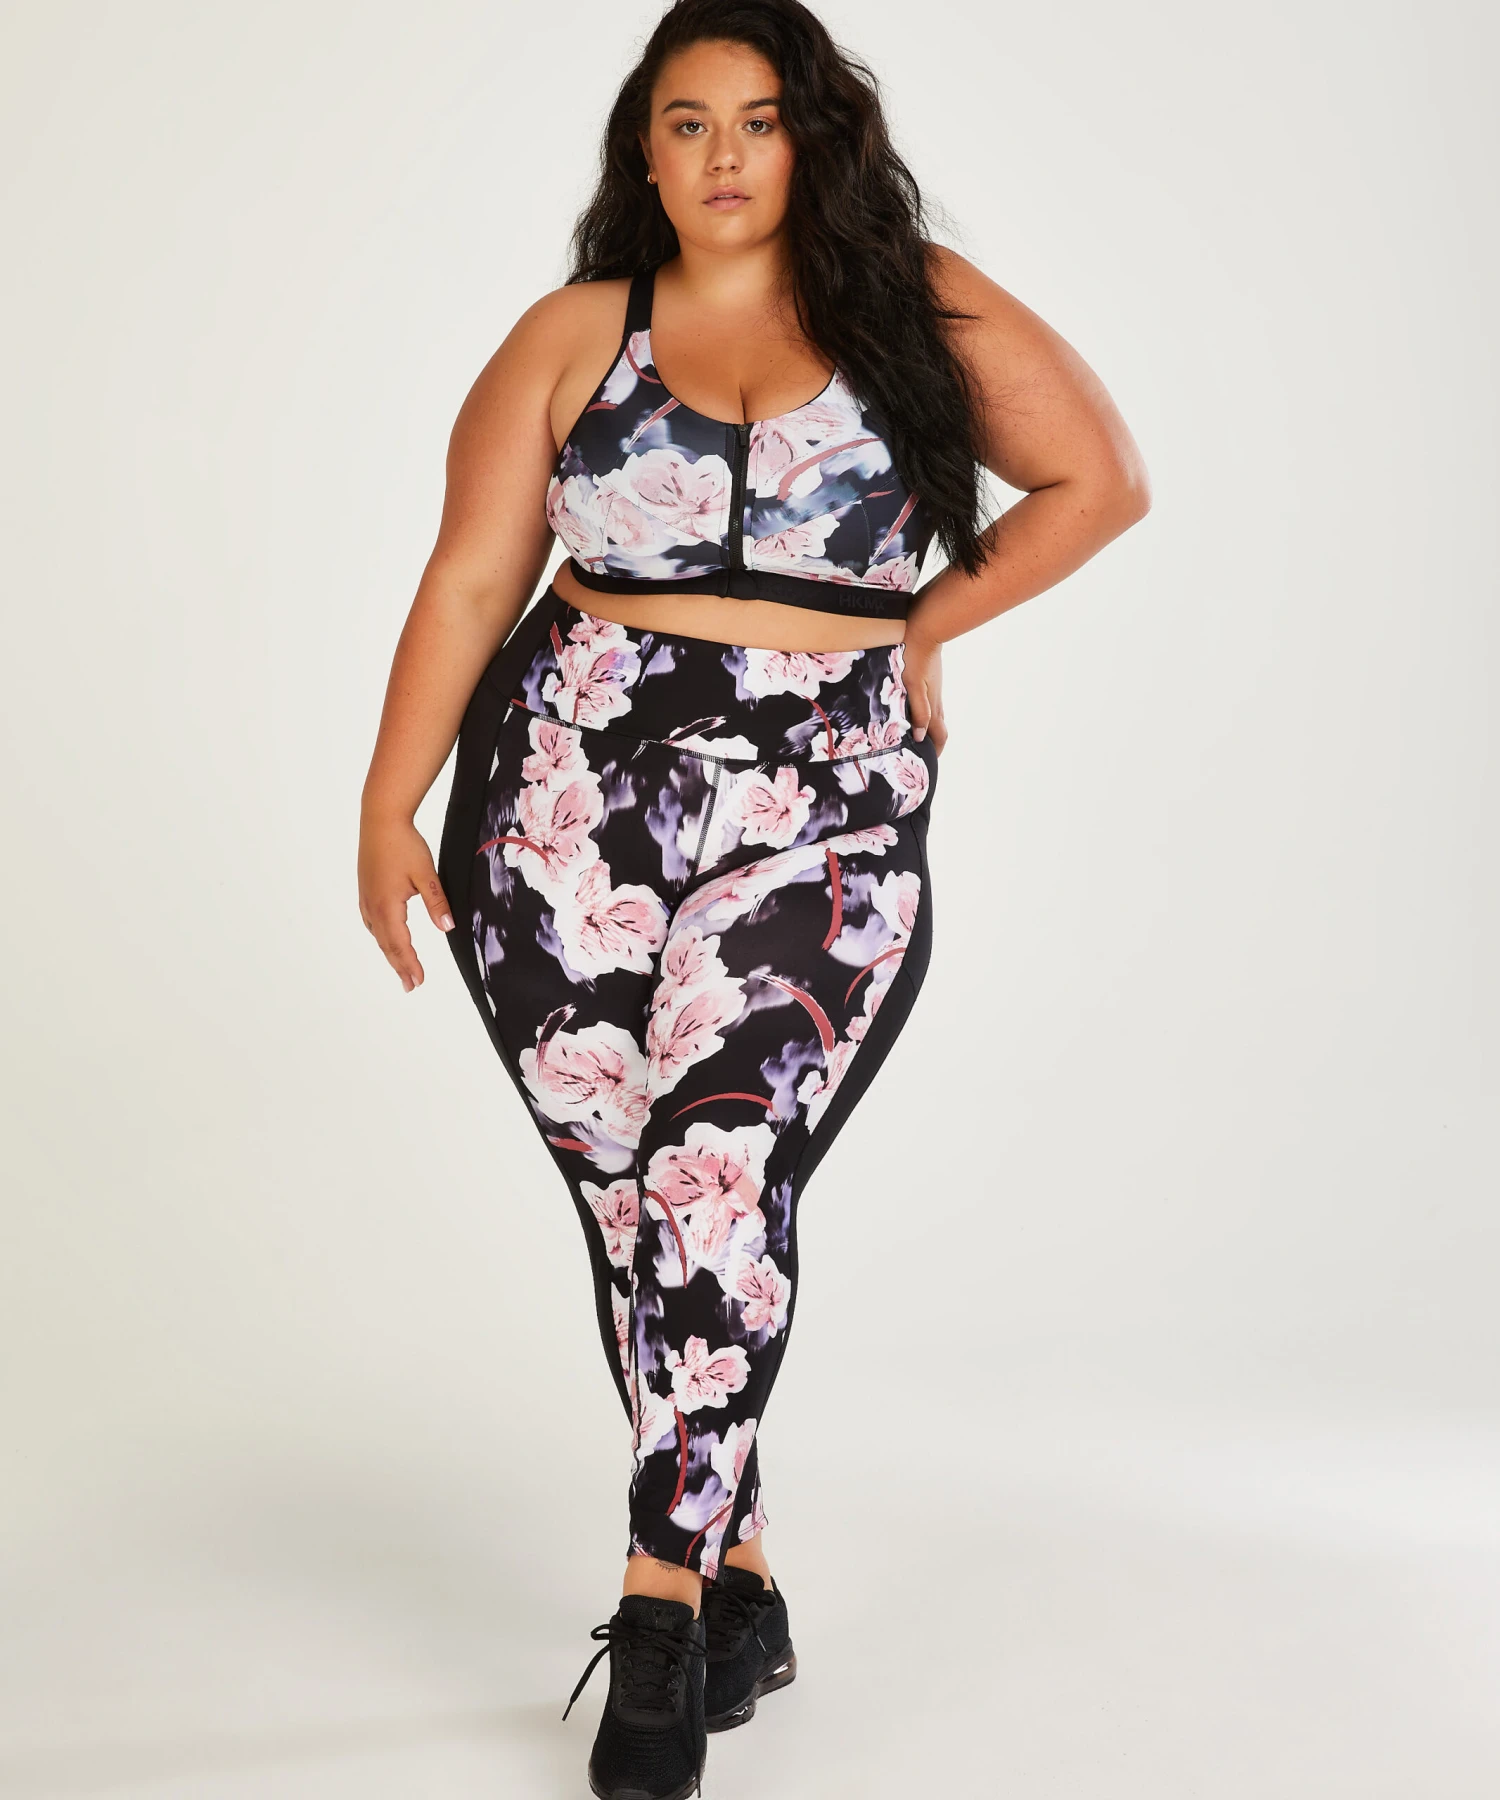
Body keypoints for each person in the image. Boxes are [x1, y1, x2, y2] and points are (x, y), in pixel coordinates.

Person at [357, 2, 1149, 1793]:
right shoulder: (574, 333)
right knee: (642, 1209)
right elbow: (473, 576)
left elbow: (1098, 480)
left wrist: (928, 621)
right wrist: (389, 801)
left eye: (760, 118)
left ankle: (657, 1607)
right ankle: (745, 1579)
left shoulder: (911, 305)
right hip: (561, 812)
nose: (724, 153)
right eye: (688, 120)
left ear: (814, 137)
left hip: (824, 805)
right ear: (643, 150)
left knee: (717, 1157)